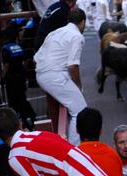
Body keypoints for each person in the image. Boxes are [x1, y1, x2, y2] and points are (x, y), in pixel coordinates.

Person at [34, 9, 87, 146]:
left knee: (71, 106)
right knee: (80, 110)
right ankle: (74, 149)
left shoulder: (55, 32)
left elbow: (36, 58)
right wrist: (79, 86)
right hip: (54, 75)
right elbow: (73, 66)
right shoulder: (77, 36)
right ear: (82, 22)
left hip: (41, 74)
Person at [1, 23, 36, 130]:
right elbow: (25, 62)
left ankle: (19, 120)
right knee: (22, 98)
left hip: (11, 79)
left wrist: (2, 78)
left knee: (13, 101)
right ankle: (30, 116)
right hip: (21, 77)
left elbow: (6, 65)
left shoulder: (6, 48)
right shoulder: (19, 47)